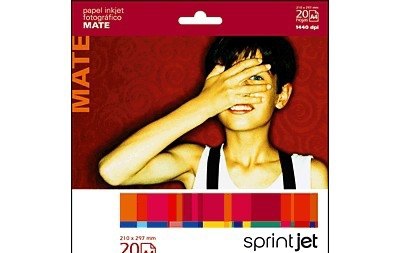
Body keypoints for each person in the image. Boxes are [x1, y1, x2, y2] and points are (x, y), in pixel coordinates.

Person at [99, 37, 328, 190]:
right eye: (228, 80)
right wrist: (204, 104)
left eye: (256, 77)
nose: (239, 90)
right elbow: (113, 171)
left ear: (281, 95)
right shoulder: (195, 164)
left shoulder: (308, 175)